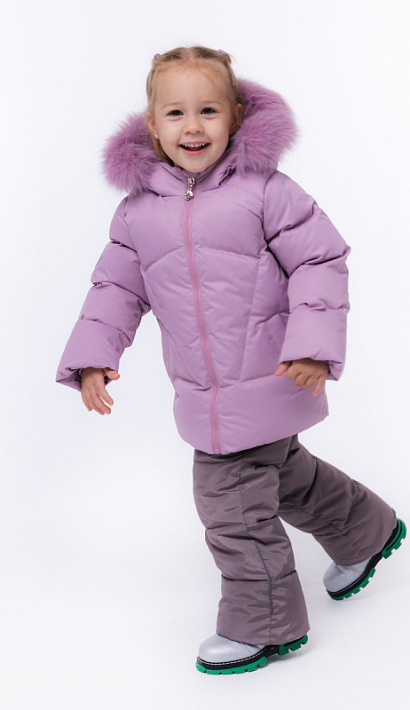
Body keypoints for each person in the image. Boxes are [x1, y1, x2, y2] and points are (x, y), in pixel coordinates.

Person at [56, 46, 406, 675]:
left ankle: (265, 625)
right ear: (152, 123)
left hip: (275, 375)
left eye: (209, 111)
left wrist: (313, 346)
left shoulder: (265, 191)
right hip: (205, 391)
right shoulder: (138, 211)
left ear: (236, 115)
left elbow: (319, 261)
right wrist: (92, 358)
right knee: (284, 476)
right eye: (176, 113)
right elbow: (115, 289)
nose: (193, 127)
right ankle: (365, 531)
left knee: (231, 507)